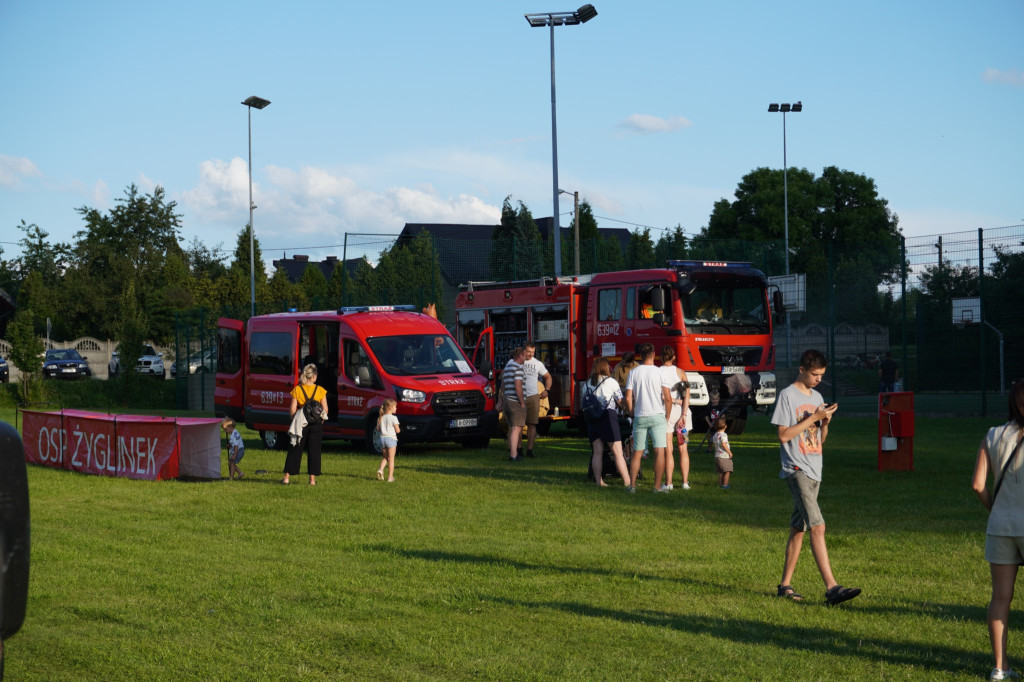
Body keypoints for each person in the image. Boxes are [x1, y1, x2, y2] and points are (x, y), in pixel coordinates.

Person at [771, 348, 860, 606]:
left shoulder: (818, 396)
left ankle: (785, 585)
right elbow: (784, 435)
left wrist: (825, 422)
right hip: (796, 469)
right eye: (814, 374)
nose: (818, 379)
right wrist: (814, 417)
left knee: (799, 529)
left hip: (814, 470)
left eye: (822, 375)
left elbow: (820, 441)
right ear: (802, 370)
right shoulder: (787, 396)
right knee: (818, 526)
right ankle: (832, 588)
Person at [971, 380, 1024, 682]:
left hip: (1001, 526)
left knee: (1000, 598)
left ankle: (999, 668)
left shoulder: (992, 434)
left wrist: (995, 509)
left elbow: (978, 485)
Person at [624, 343, 673, 493]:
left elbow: (627, 398)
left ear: (640, 356)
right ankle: (657, 487)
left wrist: (632, 412)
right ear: (653, 354)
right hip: (657, 414)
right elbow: (667, 398)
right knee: (659, 451)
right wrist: (667, 416)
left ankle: (632, 485)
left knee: (637, 452)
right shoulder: (659, 372)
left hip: (640, 415)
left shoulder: (634, 372)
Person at [585, 358, 631, 488]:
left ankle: (599, 481)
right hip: (608, 417)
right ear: (605, 367)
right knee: (617, 451)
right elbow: (620, 401)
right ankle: (627, 481)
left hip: (592, 418)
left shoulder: (588, 383)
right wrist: (627, 407)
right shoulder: (611, 382)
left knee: (597, 451)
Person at [283, 363, 328, 486]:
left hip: (301, 423)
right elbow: (325, 409)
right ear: (313, 376)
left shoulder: (297, 389)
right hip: (316, 423)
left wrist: (295, 420)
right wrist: (320, 420)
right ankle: (312, 480)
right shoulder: (320, 390)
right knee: (314, 450)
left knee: (295, 448)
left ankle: (286, 477)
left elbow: (292, 409)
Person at [660, 346, 691, 491]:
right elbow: (687, 395)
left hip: (666, 412)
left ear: (660, 357)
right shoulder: (680, 372)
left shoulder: (658, 372)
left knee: (668, 450)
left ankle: (669, 483)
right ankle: (685, 482)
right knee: (683, 448)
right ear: (673, 357)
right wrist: (684, 415)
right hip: (681, 413)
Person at [522, 342, 552, 459]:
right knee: (518, 424)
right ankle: (517, 449)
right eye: (528, 351)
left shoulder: (537, 363)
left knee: (532, 424)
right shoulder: (519, 362)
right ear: (524, 350)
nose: (530, 354)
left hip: (533, 397)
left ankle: (529, 450)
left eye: (533, 352)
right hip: (520, 396)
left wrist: (547, 390)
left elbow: (548, 377)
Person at [502, 347, 527, 462]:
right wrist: (522, 402)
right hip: (515, 402)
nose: (526, 357)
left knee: (513, 428)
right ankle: (513, 455)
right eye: (524, 355)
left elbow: (503, 384)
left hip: (507, 399)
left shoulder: (508, 367)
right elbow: (518, 386)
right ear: (519, 356)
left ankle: (513, 453)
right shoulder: (518, 368)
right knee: (517, 428)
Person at [376, 398, 400, 482]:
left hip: (382, 439)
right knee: (391, 459)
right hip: (391, 439)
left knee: (385, 457)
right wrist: (399, 430)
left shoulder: (380, 418)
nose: (396, 408)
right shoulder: (394, 418)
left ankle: (380, 469)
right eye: (395, 407)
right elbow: (397, 430)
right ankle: (390, 477)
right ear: (390, 408)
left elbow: (378, 429)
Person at [710, 417, 733, 489]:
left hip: (717, 456)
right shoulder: (724, 435)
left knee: (721, 472)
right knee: (727, 471)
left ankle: (720, 485)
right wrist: (730, 452)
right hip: (724, 456)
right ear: (725, 426)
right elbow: (724, 444)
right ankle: (725, 485)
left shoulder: (715, 435)